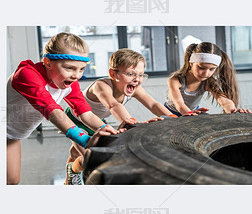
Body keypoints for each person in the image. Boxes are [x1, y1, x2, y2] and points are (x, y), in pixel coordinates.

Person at [6, 32, 120, 185]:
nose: (76, 76)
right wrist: (85, 139)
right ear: (47, 62)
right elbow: (52, 111)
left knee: (11, 181)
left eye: (81, 69)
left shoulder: (69, 83)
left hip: (11, 137)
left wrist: (108, 131)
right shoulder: (27, 74)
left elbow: (84, 113)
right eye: (70, 68)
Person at [64, 48, 176, 184]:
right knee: (90, 157)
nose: (137, 80)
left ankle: (73, 161)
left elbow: (153, 104)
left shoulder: (134, 87)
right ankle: (73, 170)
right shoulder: (101, 86)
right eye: (130, 74)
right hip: (76, 119)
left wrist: (175, 119)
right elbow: (113, 105)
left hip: (96, 119)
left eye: (141, 75)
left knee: (77, 152)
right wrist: (133, 124)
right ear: (113, 74)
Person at [165, 42, 252, 116]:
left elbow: (224, 101)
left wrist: (234, 111)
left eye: (211, 69)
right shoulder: (175, 80)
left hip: (193, 112)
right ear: (191, 63)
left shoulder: (207, 82)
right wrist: (190, 114)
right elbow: (179, 104)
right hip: (170, 112)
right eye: (201, 68)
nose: (206, 73)